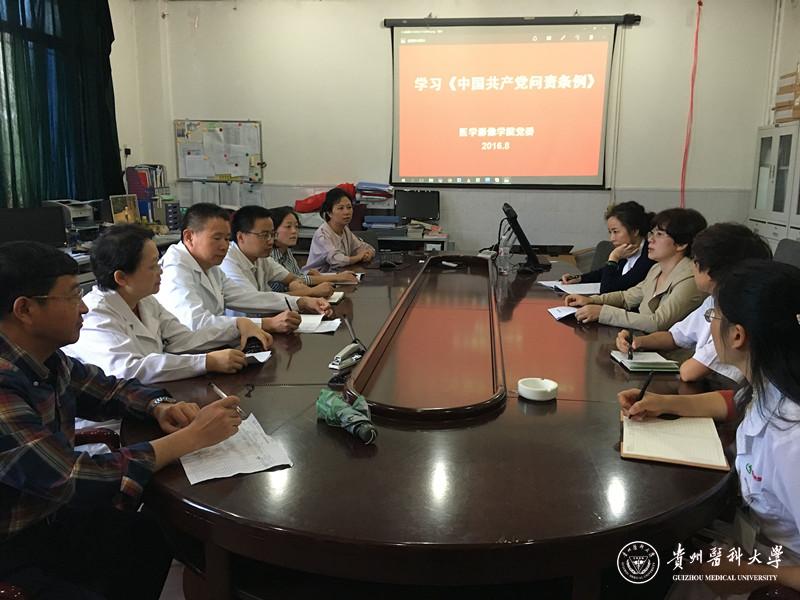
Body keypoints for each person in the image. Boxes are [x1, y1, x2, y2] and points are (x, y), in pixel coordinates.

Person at [0, 241, 242, 599]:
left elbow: (108, 389)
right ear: (25, 309)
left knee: (149, 535)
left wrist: (159, 405)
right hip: (15, 542)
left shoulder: (47, 358)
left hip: (51, 514)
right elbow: (70, 476)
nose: (84, 307)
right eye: (72, 296)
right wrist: (189, 438)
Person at [619, 260, 800, 596]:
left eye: (713, 316)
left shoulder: (791, 441)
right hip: (749, 540)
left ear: (737, 335)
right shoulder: (772, 384)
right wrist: (664, 403)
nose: (710, 323)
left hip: (775, 578)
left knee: (637, 571)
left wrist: (747, 573)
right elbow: (734, 402)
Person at [64, 224, 271, 384]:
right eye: (152, 266)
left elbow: (182, 340)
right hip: (113, 419)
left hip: (151, 397)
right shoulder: (95, 315)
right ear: (122, 277)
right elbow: (129, 369)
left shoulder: (145, 300)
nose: (161, 271)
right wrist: (207, 362)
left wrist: (237, 326)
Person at [616, 223, 772, 383]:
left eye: (695, 261)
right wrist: (638, 341)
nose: (691, 267)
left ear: (712, 271)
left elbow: (689, 372)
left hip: (723, 387)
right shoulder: (712, 300)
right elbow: (676, 336)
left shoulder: (736, 314)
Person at [156, 203, 331, 336]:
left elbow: (245, 296)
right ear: (189, 237)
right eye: (217, 238)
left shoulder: (210, 265)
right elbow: (196, 323)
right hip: (188, 354)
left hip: (212, 346)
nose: (224, 246)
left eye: (226, 239)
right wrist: (266, 324)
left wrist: (300, 301)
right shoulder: (175, 269)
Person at [565, 208, 707, 332]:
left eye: (659, 234)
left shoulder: (690, 279)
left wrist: (603, 312)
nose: (651, 239)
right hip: (640, 341)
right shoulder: (657, 269)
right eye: (652, 233)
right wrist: (591, 300)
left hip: (665, 352)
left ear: (681, 244)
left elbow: (657, 322)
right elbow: (626, 298)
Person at [221, 205, 335, 298]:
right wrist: (311, 292)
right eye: (264, 235)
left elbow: (292, 278)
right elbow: (255, 300)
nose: (271, 241)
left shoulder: (262, 258)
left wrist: (296, 284)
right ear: (241, 237)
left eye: (272, 234)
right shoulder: (229, 261)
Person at [561, 201, 655, 293]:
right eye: (610, 232)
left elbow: (608, 289)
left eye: (616, 232)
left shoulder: (649, 257)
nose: (612, 238)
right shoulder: (627, 250)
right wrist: (579, 278)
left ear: (634, 231)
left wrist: (614, 257)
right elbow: (603, 273)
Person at [269, 205, 359, 290]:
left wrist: (323, 277)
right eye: (288, 227)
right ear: (273, 231)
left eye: (296, 226)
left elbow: (298, 277)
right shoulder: (269, 256)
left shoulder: (286, 251)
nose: (294, 231)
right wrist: (337, 277)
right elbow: (298, 280)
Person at [304, 187, 376, 272]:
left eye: (349, 207)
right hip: (317, 278)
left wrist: (368, 253)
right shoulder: (323, 234)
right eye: (340, 208)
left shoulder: (345, 229)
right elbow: (336, 260)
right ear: (329, 213)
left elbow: (362, 247)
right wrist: (358, 257)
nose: (346, 212)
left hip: (337, 275)